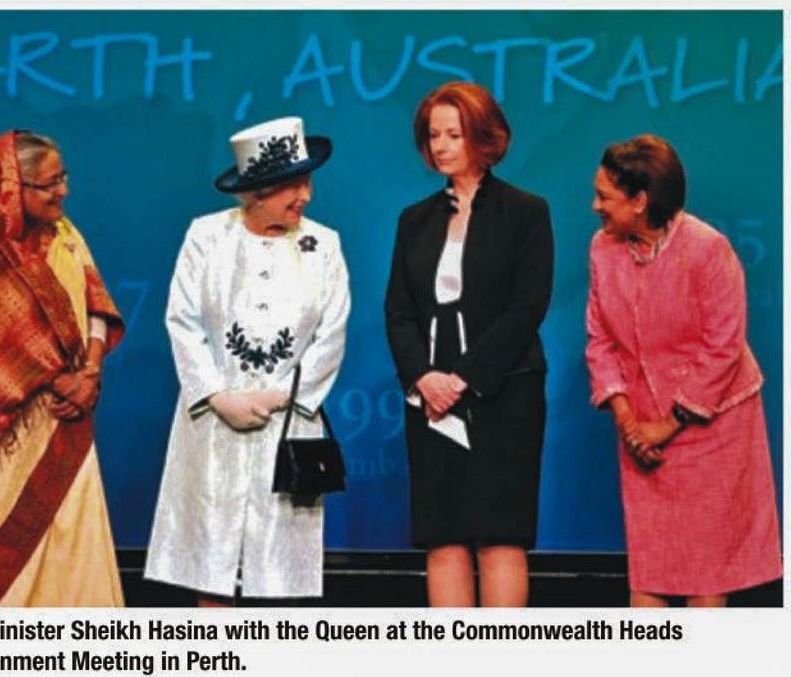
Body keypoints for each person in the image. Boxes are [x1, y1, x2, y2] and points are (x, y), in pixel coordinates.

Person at [145, 116, 350, 605]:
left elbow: (332, 331)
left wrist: (283, 396)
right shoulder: (206, 236)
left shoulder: (323, 244)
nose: (306, 196)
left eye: (307, 182)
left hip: (287, 424)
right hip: (214, 423)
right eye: (293, 186)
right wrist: (218, 396)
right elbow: (183, 320)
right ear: (259, 191)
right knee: (211, 564)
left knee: (280, 571)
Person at [585, 134, 782, 607]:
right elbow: (600, 340)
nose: (595, 207)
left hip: (714, 429)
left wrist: (668, 424)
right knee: (650, 572)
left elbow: (723, 347)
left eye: (605, 197)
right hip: (641, 431)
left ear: (640, 201)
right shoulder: (603, 248)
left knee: (704, 577)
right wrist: (629, 422)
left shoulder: (707, 249)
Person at [0, 130, 125, 607]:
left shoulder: (65, 233)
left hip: (70, 414)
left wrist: (91, 372)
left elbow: (96, 304)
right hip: (8, 424)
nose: (63, 191)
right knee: (6, 540)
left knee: (74, 537)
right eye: (49, 183)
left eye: (63, 178)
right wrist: (62, 380)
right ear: (10, 188)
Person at [385, 82, 553, 607]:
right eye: (433, 135)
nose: (440, 145)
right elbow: (399, 312)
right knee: (443, 534)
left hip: (504, 393)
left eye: (453, 135)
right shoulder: (414, 219)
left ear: (484, 137)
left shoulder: (526, 212)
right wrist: (425, 378)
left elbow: (527, 308)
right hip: (431, 399)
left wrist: (463, 379)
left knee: (500, 534)